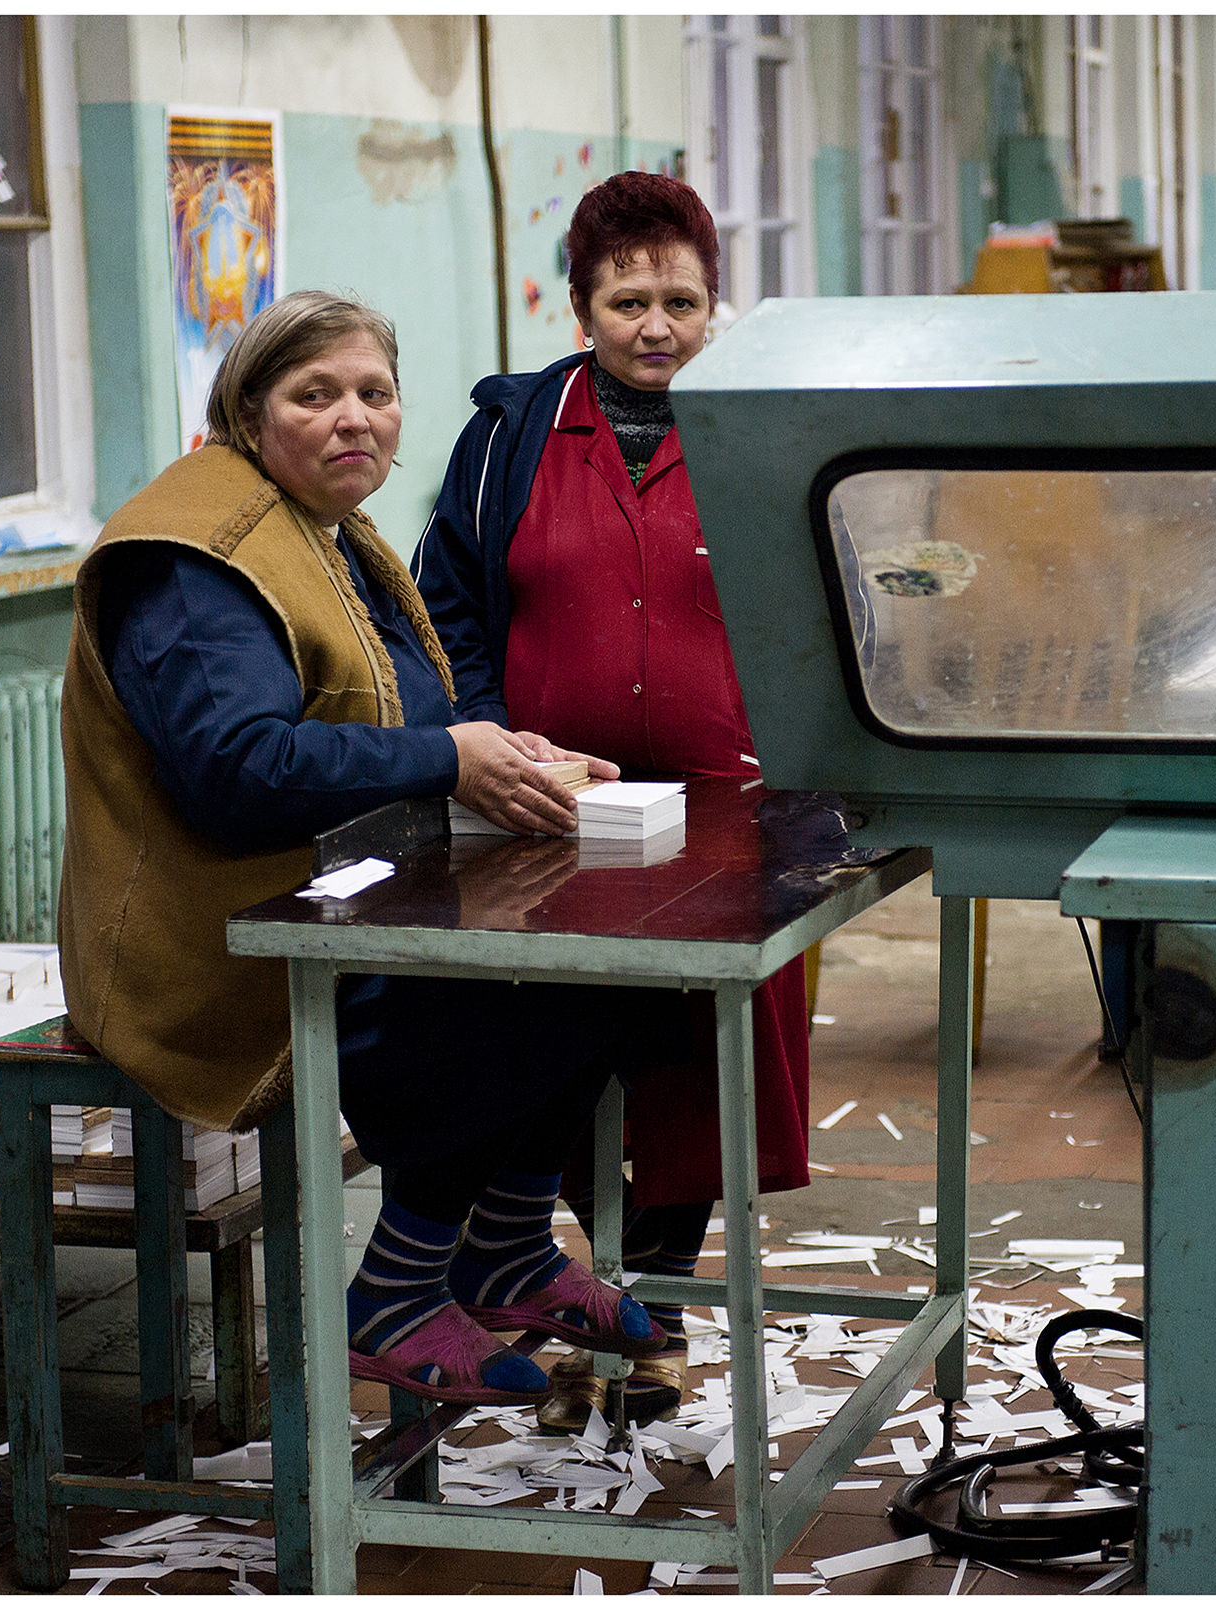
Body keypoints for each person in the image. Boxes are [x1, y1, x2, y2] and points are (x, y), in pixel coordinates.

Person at [57, 289, 668, 1406]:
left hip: (327, 898)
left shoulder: (324, 530)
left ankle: (506, 1248)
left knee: (616, 963)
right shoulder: (198, 558)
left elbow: (399, 708)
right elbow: (238, 772)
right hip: (208, 943)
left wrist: (504, 752)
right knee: (500, 1009)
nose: (354, 419)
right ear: (248, 412)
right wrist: (448, 757)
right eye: (315, 394)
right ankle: (391, 1294)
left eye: (374, 394)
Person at [414, 173, 813, 1427]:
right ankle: (565, 1289)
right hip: (546, 821)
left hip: (726, 819)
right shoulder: (512, 434)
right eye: (627, 299)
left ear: (715, 303)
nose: (657, 324)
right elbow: (451, 605)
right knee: (550, 1055)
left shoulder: (762, 427)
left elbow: (821, 600)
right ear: (580, 308)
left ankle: (660, 1303)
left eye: (680, 299)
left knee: (693, 1064)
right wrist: (483, 735)